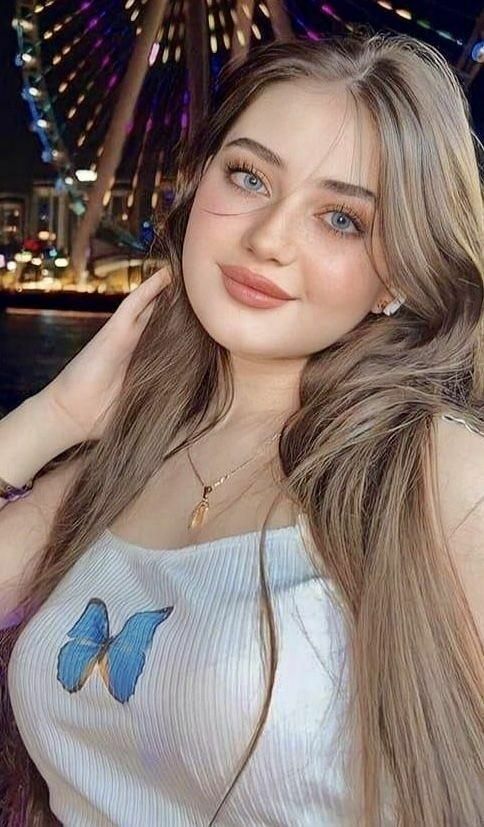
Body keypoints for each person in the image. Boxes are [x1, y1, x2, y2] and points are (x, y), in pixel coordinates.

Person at [0, 32, 483, 827]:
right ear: (197, 182)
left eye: (341, 218)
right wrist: (54, 417)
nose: (269, 239)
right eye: (249, 176)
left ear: (397, 272)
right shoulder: (121, 462)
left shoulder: (435, 474)